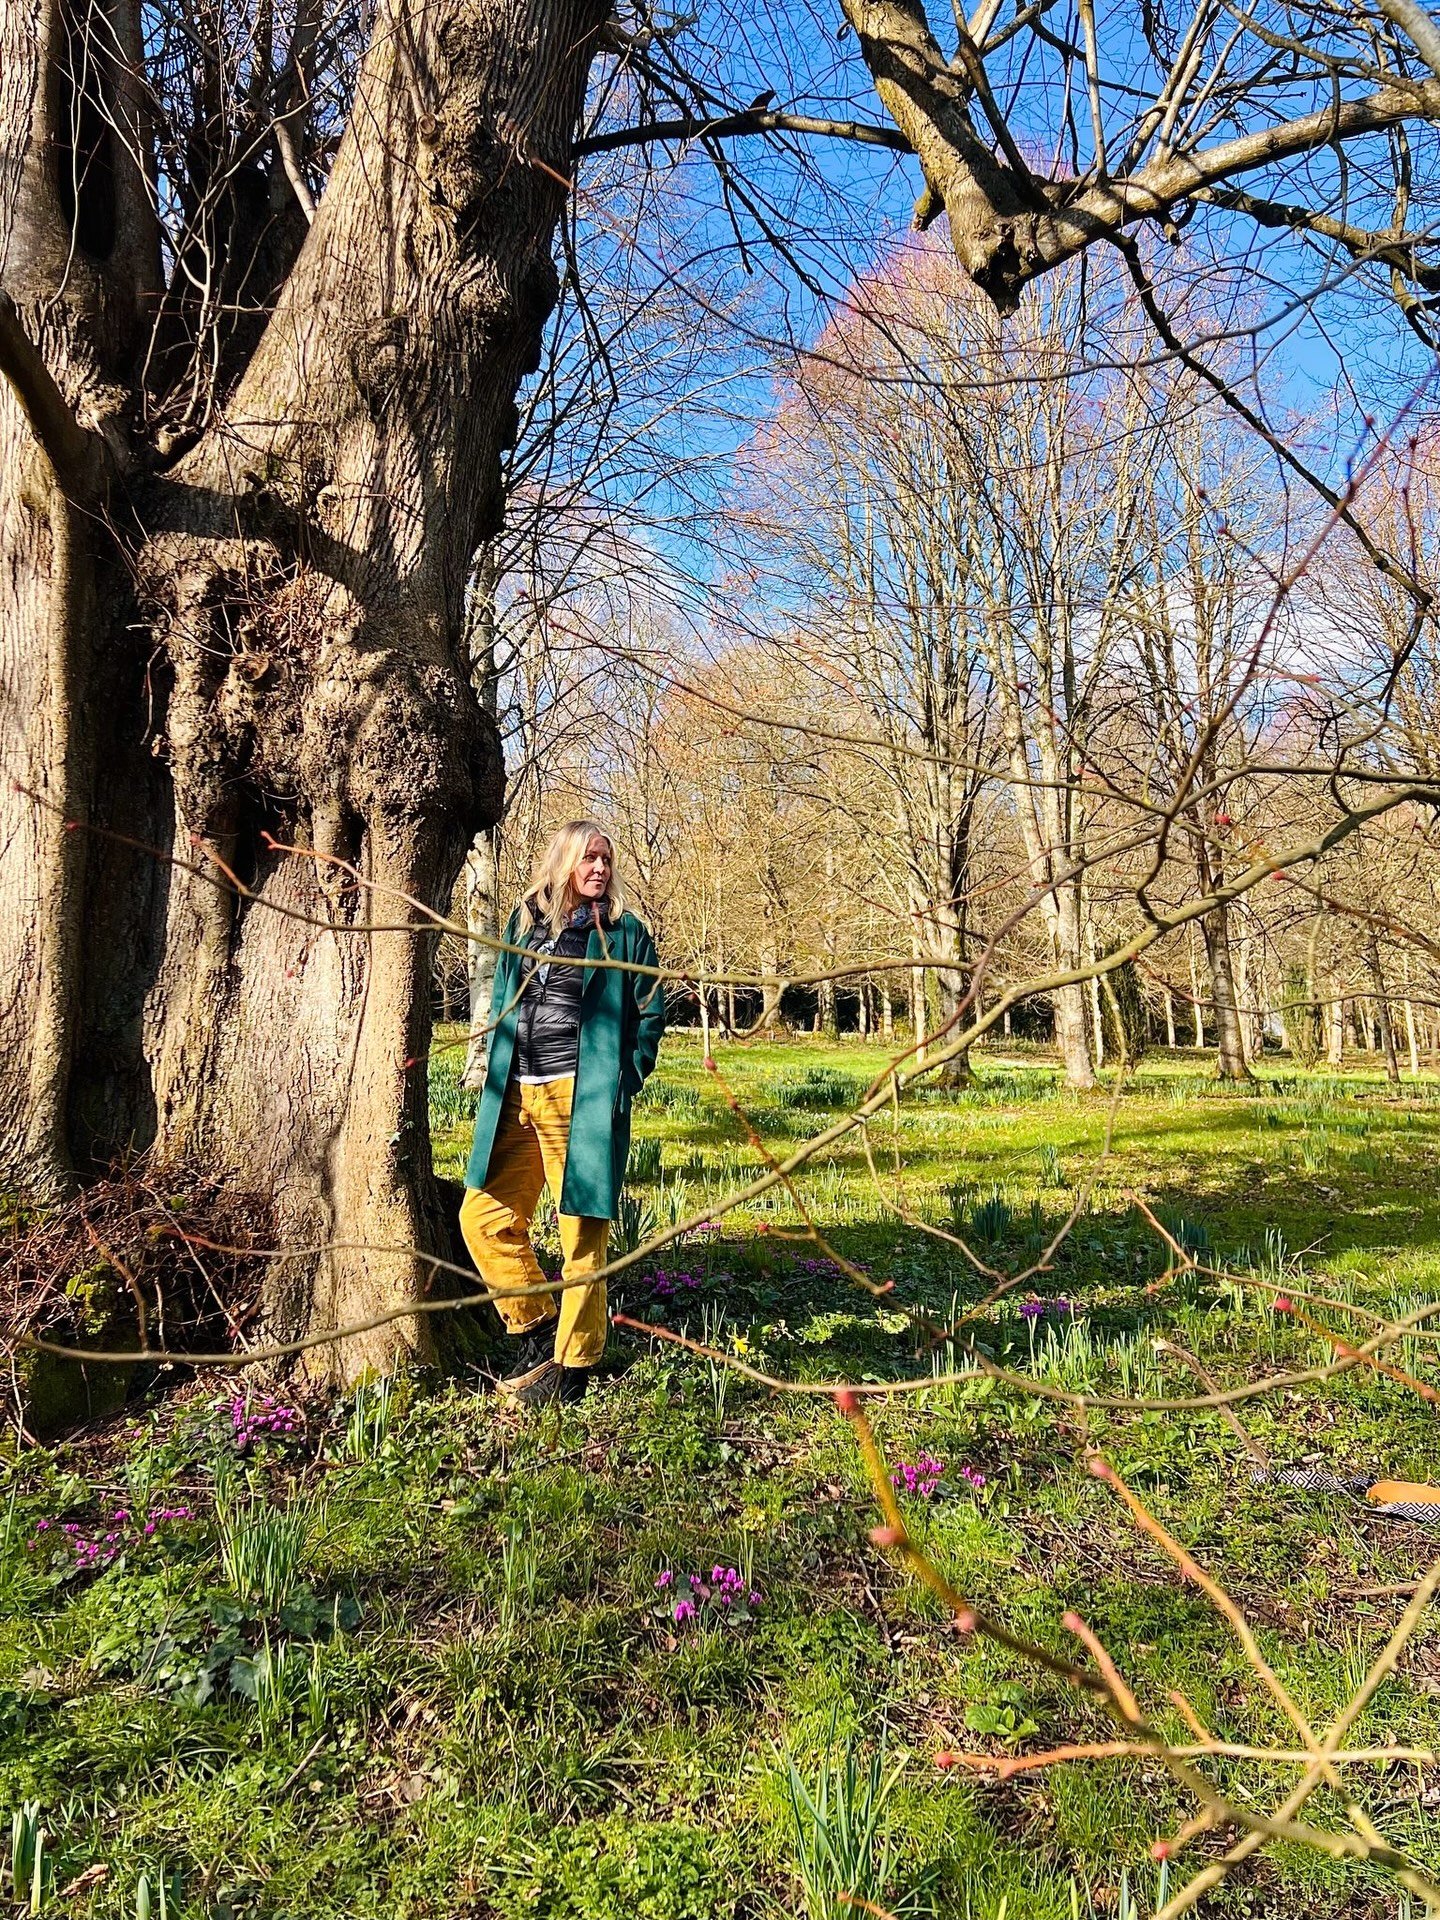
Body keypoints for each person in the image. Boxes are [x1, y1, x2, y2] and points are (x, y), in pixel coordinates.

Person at [459, 820, 665, 1406]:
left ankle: (574, 1366)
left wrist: (623, 1079)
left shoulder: (625, 935)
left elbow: (651, 1011)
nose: (599, 869)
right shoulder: (526, 923)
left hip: (581, 1095)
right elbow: (502, 996)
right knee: (483, 1217)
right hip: (516, 1093)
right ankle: (534, 1325)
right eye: (588, 859)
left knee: (580, 1232)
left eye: (606, 859)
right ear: (564, 863)